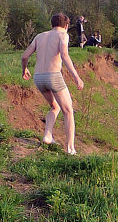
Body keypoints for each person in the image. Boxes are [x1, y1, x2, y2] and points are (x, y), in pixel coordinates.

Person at [21, 13, 86, 154]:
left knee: (54, 106)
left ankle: (48, 136)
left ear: (51, 24)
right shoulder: (63, 35)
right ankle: (70, 149)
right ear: (66, 25)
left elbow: (25, 55)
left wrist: (24, 69)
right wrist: (76, 77)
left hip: (38, 78)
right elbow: (64, 55)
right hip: (53, 76)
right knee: (68, 111)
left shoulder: (39, 36)